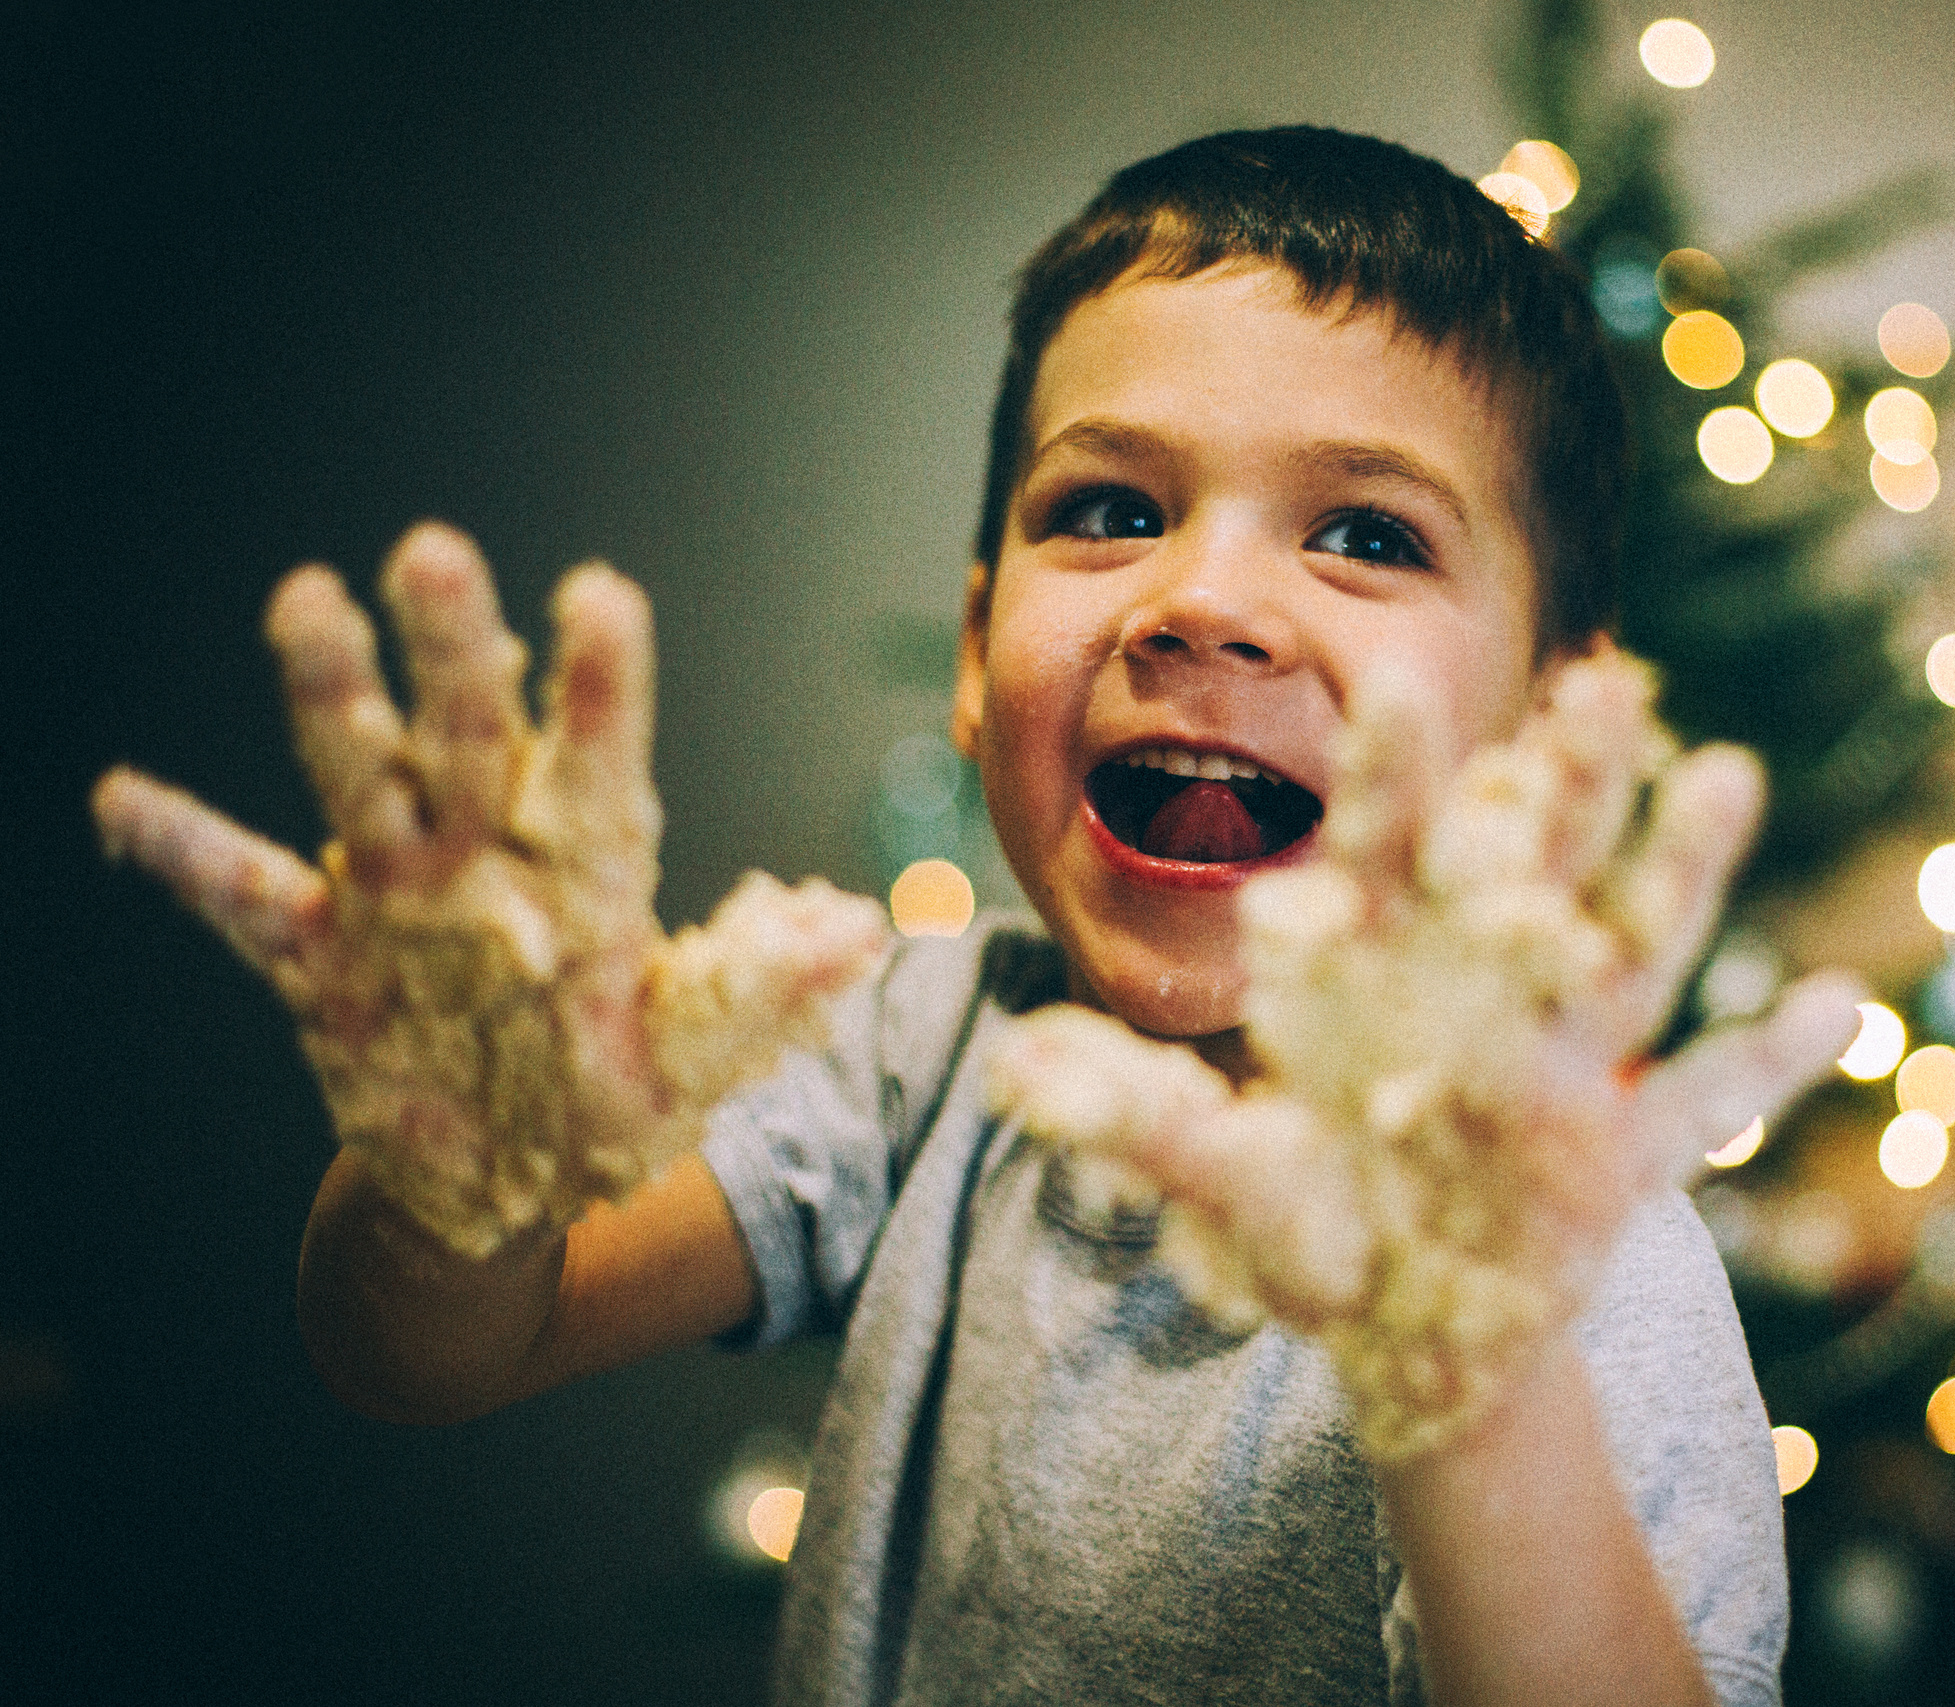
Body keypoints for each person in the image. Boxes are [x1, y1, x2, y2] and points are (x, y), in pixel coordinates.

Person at [90, 127, 1857, 1707]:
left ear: (1560, 724)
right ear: (972, 649)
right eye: (1110, 510)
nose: (1203, 602)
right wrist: (460, 1174)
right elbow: (425, 1351)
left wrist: (1472, 1388)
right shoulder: (926, 1054)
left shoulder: (1568, 1262)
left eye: (1367, 538)